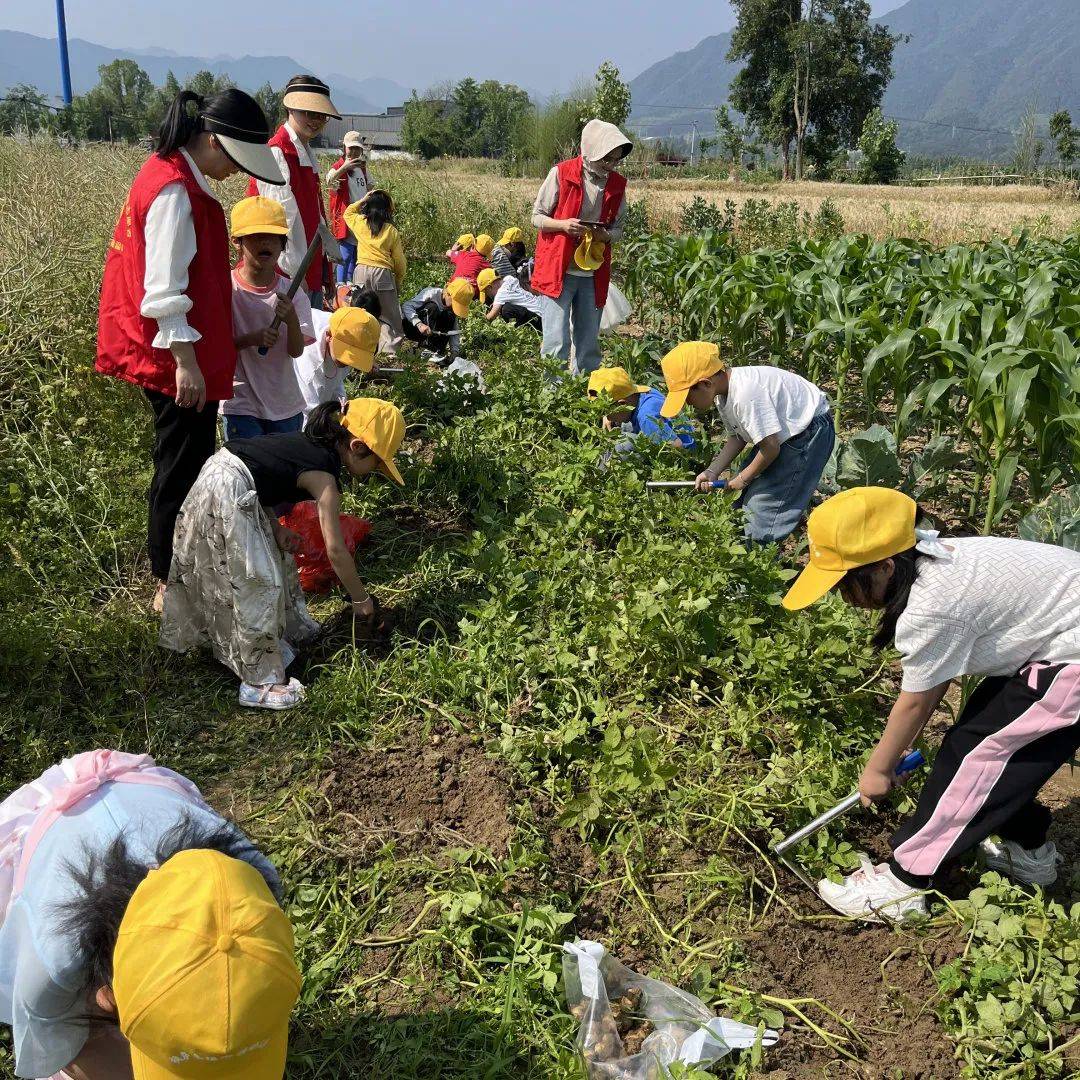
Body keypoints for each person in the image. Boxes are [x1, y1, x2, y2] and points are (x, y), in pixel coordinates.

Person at [783, 487, 1080, 922]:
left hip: (1072, 655)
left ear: (885, 566)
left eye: (845, 583)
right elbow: (935, 680)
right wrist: (899, 749)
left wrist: (879, 770)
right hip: (1058, 640)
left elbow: (916, 702)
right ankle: (1027, 850)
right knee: (1005, 747)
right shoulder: (934, 559)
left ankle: (904, 883)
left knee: (978, 752)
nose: (843, 597)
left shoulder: (931, 607)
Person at [95, 88, 284, 615]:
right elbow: (163, 291)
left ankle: (186, 567)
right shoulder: (175, 192)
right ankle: (167, 582)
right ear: (212, 141)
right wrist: (186, 363)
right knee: (178, 469)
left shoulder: (169, 174)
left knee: (188, 461)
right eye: (231, 159)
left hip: (178, 356)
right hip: (172, 360)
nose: (230, 172)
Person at [0, 749, 299, 1080]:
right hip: (39, 840)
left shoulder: (255, 881)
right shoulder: (50, 969)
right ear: (107, 998)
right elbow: (58, 1050)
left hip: (147, 800)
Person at [160, 398, 405, 709]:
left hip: (228, 476)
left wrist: (276, 528)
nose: (376, 472)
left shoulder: (311, 446)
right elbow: (336, 549)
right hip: (227, 486)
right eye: (378, 463)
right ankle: (259, 683)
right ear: (357, 447)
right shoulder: (325, 478)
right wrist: (361, 600)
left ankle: (282, 634)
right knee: (256, 580)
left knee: (275, 561)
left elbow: (262, 474)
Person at [659, 342, 834, 545]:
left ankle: (762, 564)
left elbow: (770, 448)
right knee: (739, 499)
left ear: (706, 383)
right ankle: (745, 550)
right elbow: (738, 437)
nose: (687, 404)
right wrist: (712, 471)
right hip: (782, 435)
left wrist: (741, 479)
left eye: (687, 396)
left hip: (808, 432)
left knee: (763, 510)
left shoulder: (745, 395)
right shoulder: (722, 392)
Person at [531, 119, 632, 375]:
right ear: (590, 152)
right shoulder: (561, 173)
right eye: (605, 159)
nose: (610, 166)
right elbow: (537, 217)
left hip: (592, 271)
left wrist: (605, 235)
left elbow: (618, 228)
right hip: (559, 269)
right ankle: (551, 395)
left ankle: (585, 392)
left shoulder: (617, 185)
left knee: (588, 341)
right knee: (557, 340)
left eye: (615, 160)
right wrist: (563, 225)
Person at [223, 196, 315, 441]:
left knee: (283, 475)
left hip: (285, 406)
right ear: (237, 242)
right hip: (241, 405)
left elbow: (295, 351)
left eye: (274, 236)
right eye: (255, 236)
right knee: (249, 472)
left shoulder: (292, 293)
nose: (266, 242)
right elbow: (218, 347)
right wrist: (251, 338)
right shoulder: (227, 290)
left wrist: (292, 320)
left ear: (283, 243)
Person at [248, 74, 341, 309]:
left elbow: (317, 218)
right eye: (310, 113)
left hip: (308, 271)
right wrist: (293, 277)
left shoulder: (304, 152)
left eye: (322, 115)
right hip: (286, 276)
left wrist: (324, 270)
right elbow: (281, 222)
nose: (317, 120)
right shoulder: (278, 153)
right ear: (291, 107)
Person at [295, 302, 382, 423]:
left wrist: (342, 405)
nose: (348, 363)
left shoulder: (347, 324)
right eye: (347, 355)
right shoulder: (310, 364)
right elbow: (309, 413)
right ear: (329, 336)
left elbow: (336, 379)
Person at [344, 189, 406, 356]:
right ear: (387, 209)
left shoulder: (360, 222)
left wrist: (362, 199)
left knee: (360, 310)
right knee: (389, 316)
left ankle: (358, 349)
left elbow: (347, 213)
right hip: (382, 274)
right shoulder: (391, 231)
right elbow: (399, 260)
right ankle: (388, 354)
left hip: (361, 271)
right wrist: (398, 280)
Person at [587, 366, 696, 449]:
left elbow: (677, 446)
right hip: (664, 430)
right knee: (621, 426)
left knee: (622, 446)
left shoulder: (647, 419)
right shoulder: (640, 392)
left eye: (607, 411)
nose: (606, 416)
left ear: (622, 404)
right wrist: (608, 416)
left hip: (681, 449)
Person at [326, 131, 372, 286]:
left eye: (357, 149)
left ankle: (350, 284)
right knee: (345, 253)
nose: (353, 152)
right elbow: (329, 181)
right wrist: (344, 168)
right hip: (346, 217)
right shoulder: (338, 166)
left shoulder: (362, 168)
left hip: (361, 217)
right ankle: (339, 284)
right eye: (351, 148)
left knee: (355, 254)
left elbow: (370, 185)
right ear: (344, 147)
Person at [401, 278, 474, 358]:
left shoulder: (450, 309)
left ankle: (436, 351)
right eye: (455, 304)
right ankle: (425, 348)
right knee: (432, 307)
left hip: (432, 332)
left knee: (450, 315)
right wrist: (419, 324)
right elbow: (407, 305)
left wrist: (454, 351)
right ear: (448, 293)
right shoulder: (431, 293)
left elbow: (454, 329)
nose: (454, 307)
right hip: (413, 328)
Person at [477, 267, 551, 330]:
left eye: (487, 292)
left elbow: (492, 316)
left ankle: (524, 330)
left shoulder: (501, 293)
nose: (489, 296)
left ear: (490, 287)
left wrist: (481, 322)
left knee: (506, 309)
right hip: (544, 311)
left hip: (539, 319)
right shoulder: (509, 279)